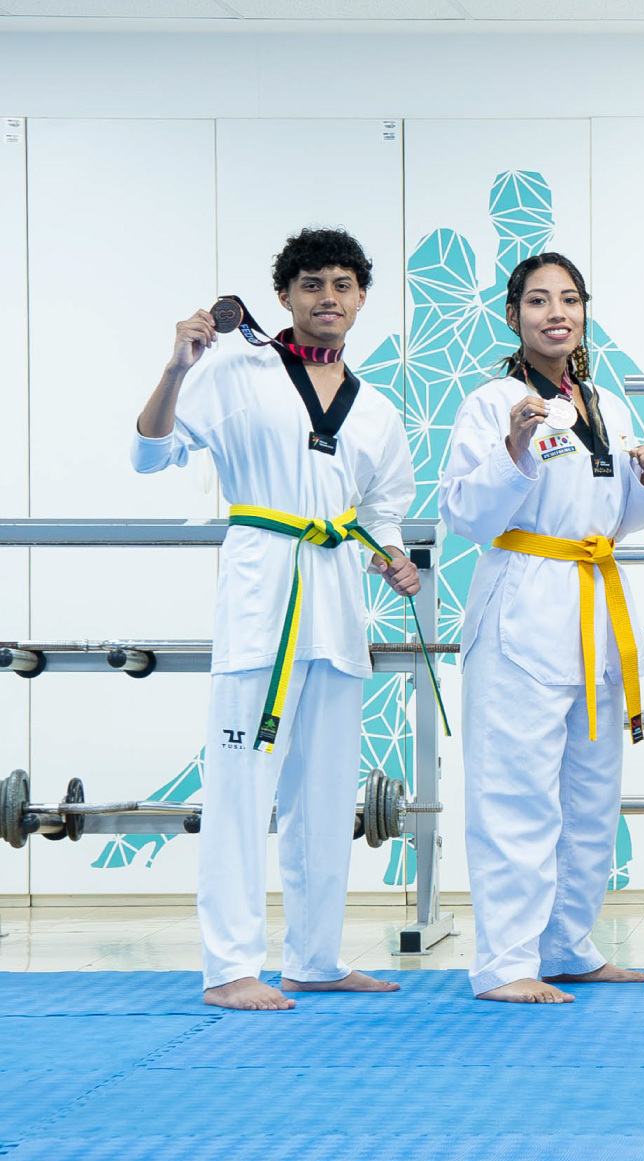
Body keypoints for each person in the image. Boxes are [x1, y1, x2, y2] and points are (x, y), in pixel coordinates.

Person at [133, 228, 416, 1010]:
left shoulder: (379, 409)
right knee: (239, 786)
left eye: (344, 284)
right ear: (286, 296)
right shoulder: (234, 370)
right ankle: (229, 965)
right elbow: (151, 455)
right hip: (262, 595)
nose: (329, 297)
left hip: (337, 603)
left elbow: (386, 509)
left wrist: (394, 558)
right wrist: (174, 368)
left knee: (326, 794)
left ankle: (315, 957)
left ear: (362, 298)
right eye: (312, 284)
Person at [440, 252, 644, 1003]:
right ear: (513, 316)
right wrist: (514, 447)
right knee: (516, 794)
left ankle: (566, 944)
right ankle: (507, 961)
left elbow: (616, 517)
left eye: (569, 299)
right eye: (538, 301)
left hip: (595, 605)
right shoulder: (492, 402)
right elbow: (465, 513)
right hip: (524, 603)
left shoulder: (603, 402)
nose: (556, 313)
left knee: (590, 794)